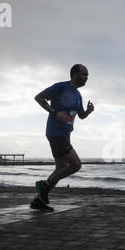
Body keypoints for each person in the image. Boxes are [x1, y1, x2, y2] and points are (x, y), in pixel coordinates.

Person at [32, 64, 94, 211]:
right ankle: (43, 185)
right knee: (76, 165)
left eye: (87, 75)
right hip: (56, 133)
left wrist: (88, 112)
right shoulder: (61, 87)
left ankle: (39, 200)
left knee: (60, 168)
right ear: (74, 74)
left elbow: (81, 115)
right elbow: (39, 98)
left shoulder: (78, 95)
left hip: (65, 135)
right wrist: (55, 113)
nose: (86, 78)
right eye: (84, 74)